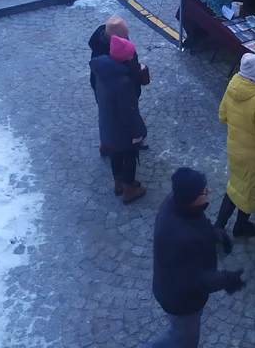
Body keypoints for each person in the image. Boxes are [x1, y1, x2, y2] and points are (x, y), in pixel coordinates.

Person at [148, 167, 246, 348]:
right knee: (182, 339)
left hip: (174, 289)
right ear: (190, 198)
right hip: (181, 301)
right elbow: (196, 279)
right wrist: (226, 279)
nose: (209, 191)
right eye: (204, 191)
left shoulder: (177, 202)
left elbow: (197, 222)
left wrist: (214, 233)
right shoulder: (181, 239)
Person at [215, 53, 255, 237]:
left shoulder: (232, 86)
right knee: (249, 192)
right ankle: (241, 226)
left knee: (236, 186)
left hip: (235, 150)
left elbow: (222, 116)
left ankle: (219, 226)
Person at [90, 35, 148, 204]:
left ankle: (119, 183)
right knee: (129, 155)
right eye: (131, 53)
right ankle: (129, 188)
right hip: (123, 131)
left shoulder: (103, 71)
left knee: (115, 153)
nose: (133, 55)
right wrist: (138, 133)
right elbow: (128, 112)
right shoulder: (123, 82)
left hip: (108, 125)